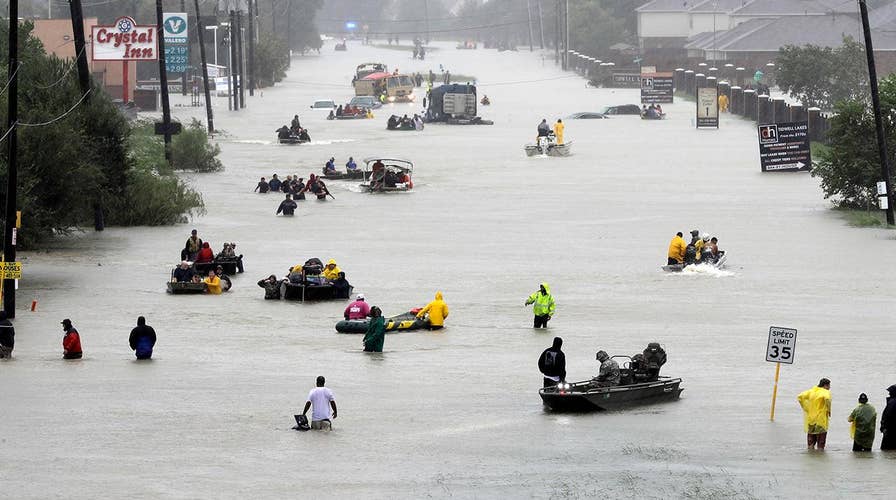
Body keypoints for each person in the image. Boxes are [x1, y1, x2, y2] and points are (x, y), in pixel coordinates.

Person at [798, 378, 832, 450]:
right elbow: (827, 399)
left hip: (811, 419)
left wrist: (805, 407)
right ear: (825, 385)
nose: (830, 387)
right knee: (821, 441)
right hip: (821, 420)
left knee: (811, 441)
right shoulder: (825, 392)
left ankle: (811, 455)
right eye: (829, 385)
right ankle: (819, 457)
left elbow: (800, 397)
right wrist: (829, 410)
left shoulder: (812, 391)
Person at [882, 385, 896, 450]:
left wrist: (883, 427)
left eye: (890, 392)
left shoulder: (892, 402)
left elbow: (886, 416)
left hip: (890, 430)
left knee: (886, 450)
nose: (889, 393)